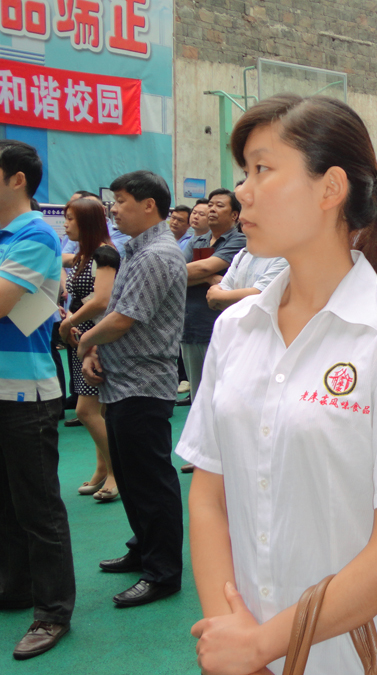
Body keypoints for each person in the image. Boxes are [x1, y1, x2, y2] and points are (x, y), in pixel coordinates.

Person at [177, 94, 377, 675]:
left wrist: (263, 644)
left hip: (350, 656)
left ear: (330, 189)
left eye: (262, 169)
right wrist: (232, 632)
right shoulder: (236, 327)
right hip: (241, 647)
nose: (243, 192)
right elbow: (209, 496)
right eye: (244, 172)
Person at [76, 170, 187, 608]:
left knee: (150, 482)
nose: (113, 209)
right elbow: (117, 310)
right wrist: (96, 349)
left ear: (149, 205)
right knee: (133, 477)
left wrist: (84, 340)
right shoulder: (136, 249)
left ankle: (163, 573)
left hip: (143, 384)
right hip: (122, 381)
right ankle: (144, 549)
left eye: (121, 201)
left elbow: (124, 319)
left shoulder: (157, 254)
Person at [0, 139, 76, 660]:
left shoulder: (35, 234)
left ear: (17, 179)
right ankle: (16, 587)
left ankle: (52, 613)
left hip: (26, 394)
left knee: (38, 507)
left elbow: (3, 301)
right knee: (7, 503)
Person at [58, 198, 121, 502]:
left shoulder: (104, 254)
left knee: (86, 410)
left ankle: (117, 472)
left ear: (87, 222)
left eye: (70, 219)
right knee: (98, 410)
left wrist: (70, 321)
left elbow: (102, 300)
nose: (65, 225)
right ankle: (102, 469)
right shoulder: (82, 255)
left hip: (98, 339)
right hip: (81, 337)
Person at [179, 188, 246, 415]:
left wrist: (201, 273)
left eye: (219, 205)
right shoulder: (197, 240)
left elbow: (204, 266)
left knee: (220, 399)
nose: (212, 210)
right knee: (197, 400)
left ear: (235, 215)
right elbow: (177, 274)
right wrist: (208, 278)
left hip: (219, 327)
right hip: (190, 326)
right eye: (210, 205)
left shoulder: (239, 240)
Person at [205, 247, 288, 310]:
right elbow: (224, 287)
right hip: (235, 324)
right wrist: (221, 296)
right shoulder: (243, 253)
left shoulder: (287, 257)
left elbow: (260, 296)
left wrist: (217, 296)